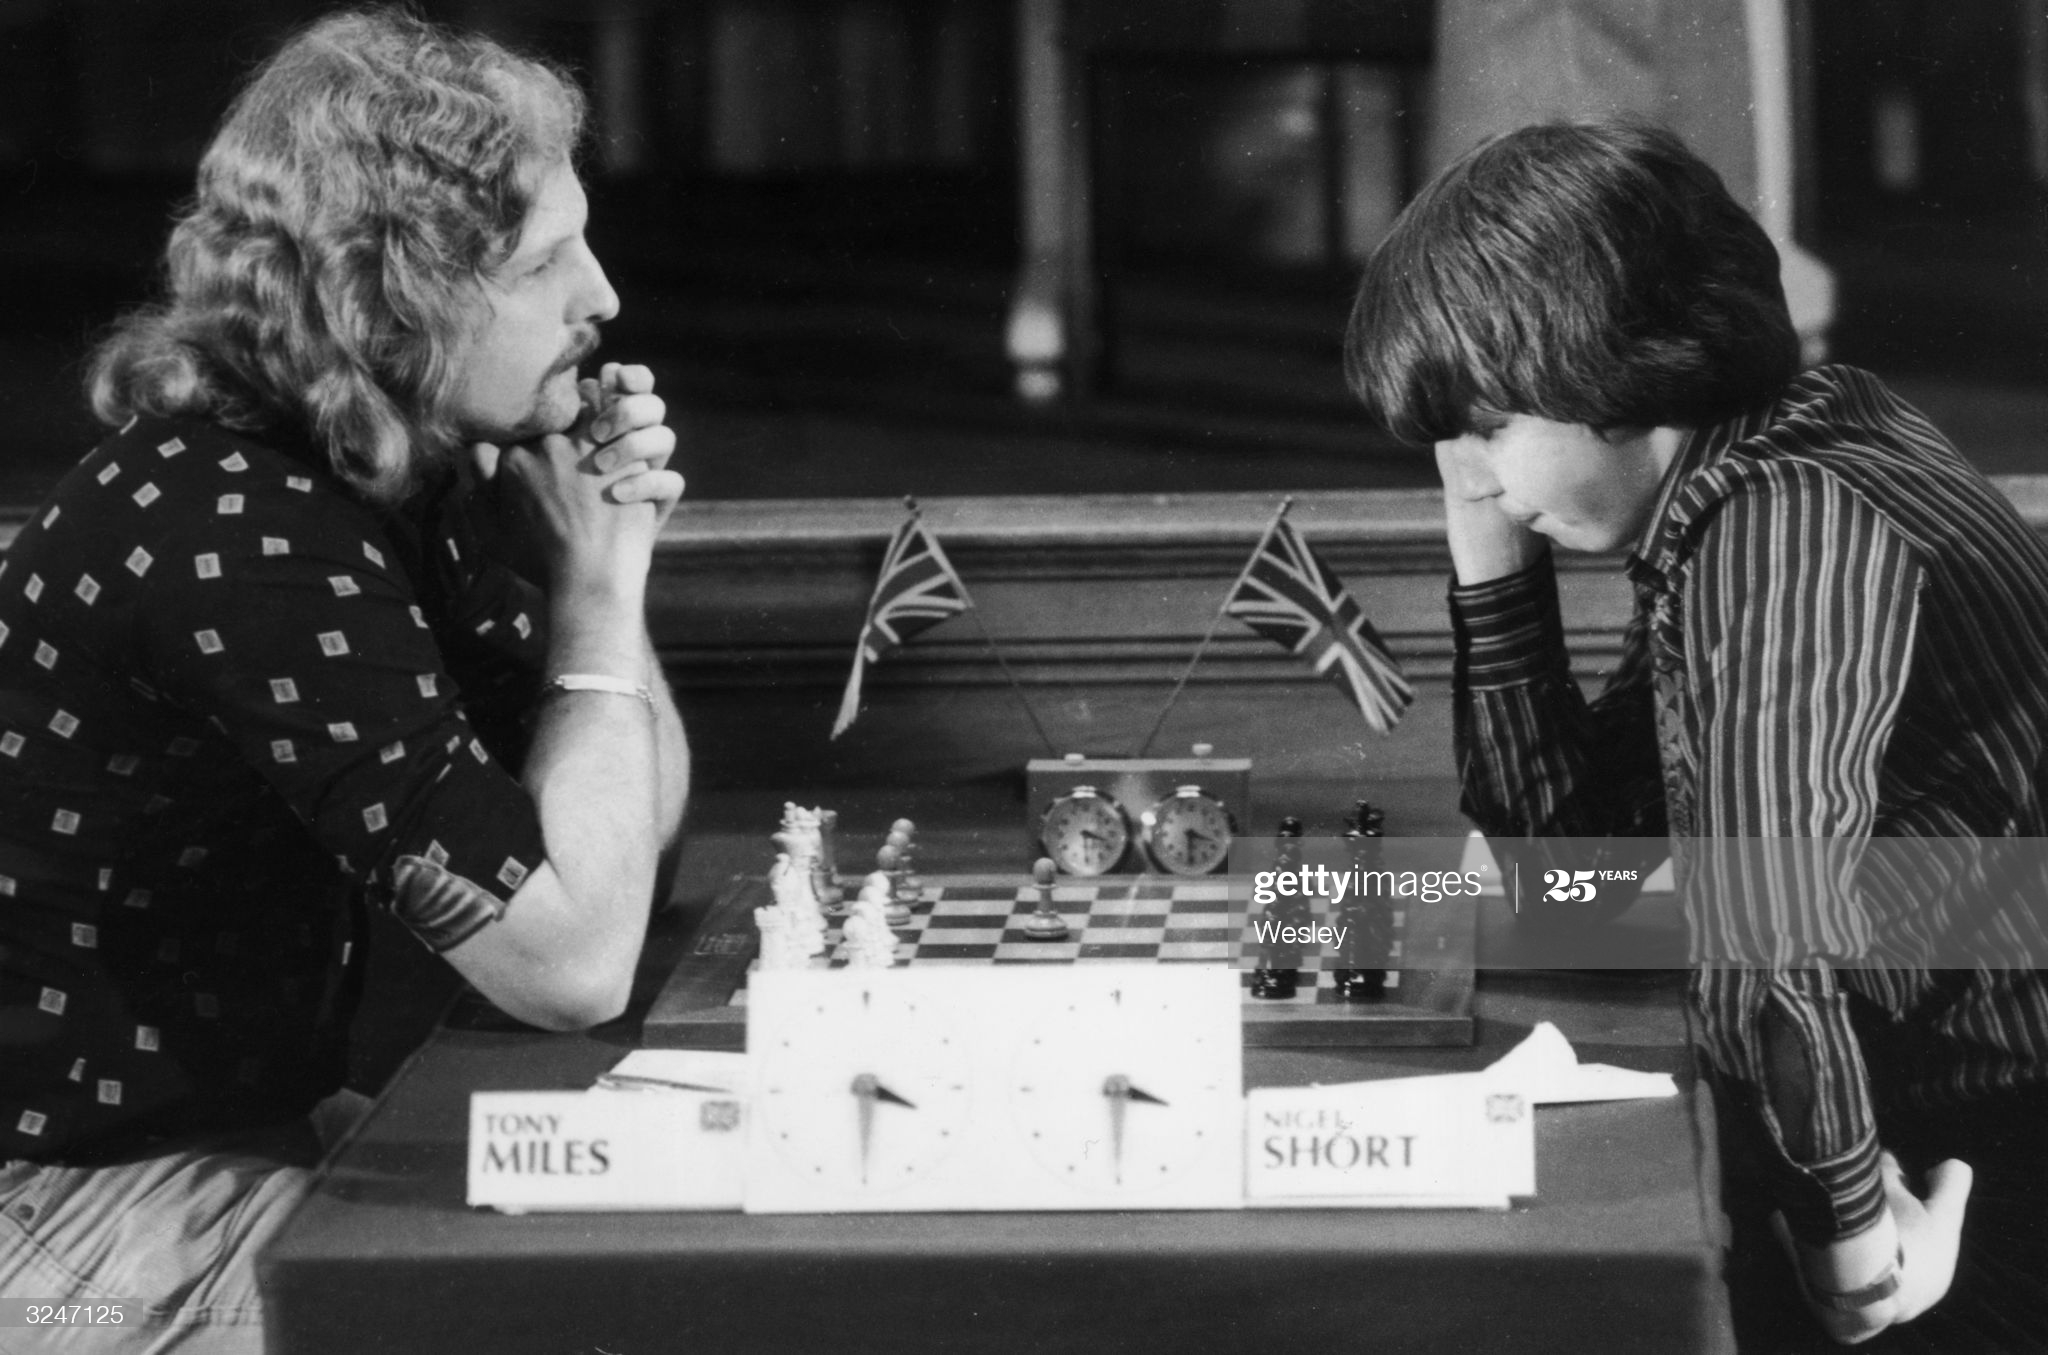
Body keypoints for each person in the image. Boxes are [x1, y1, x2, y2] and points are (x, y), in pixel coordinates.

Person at [0, 9, 688, 1349]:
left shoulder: (371, 469)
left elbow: (614, 849)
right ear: (397, 298)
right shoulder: (241, 540)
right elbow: (575, 963)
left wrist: (592, 583)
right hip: (54, 1219)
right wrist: (598, 598)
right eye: (547, 262)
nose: (601, 298)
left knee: (633, 1266)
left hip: (210, 1145)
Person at [1346, 119, 2048, 1350]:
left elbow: (1759, 939)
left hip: (1979, 1142)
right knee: (1383, 911)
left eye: (1488, 426)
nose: (1467, 475)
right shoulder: (1744, 481)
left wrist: (1848, 1245)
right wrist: (1490, 542)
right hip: (1893, 1052)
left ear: (1620, 367)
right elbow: (1561, 848)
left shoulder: (1792, 521)